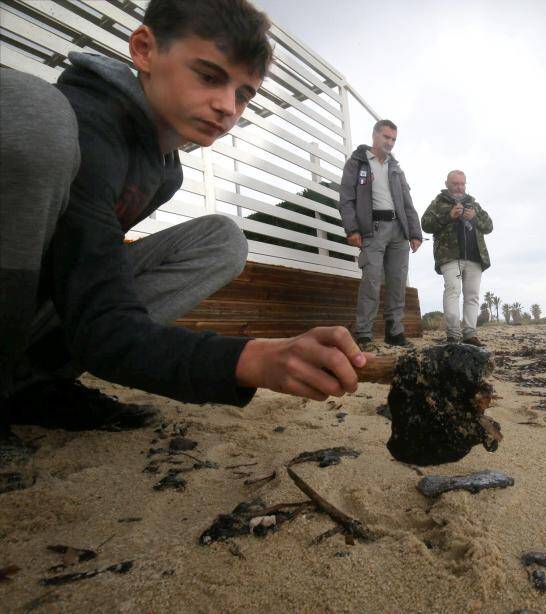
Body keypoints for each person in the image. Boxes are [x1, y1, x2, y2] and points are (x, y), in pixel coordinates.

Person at [0, 0, 367, 494]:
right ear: (145, 49)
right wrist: (253, 360)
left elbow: (97, 298)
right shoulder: (77, 118)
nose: (228, 107)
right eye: (209, 77)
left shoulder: (164, 171)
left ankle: (36, 384)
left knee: (223, 240)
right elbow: (104, 324)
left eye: (244, 95)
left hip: (41, 311)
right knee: (33, 110)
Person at [338, 120, 423, 349]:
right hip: (372, 230)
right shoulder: (357, 163)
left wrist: (415, 232)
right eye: (386, 137)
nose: (390, 142)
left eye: (393, 139)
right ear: (375, 135)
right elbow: (346, 198)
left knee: (397, 284)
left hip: (399, 231)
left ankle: (394, 333)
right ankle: (364, 334)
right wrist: (352, 229)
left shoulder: (396, 168)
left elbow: (407, 201)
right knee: (371, 283)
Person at [421, 170, 492, 346]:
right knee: (453, 290)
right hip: (449, 257)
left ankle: (470, 334)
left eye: (462, 183)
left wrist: (474, 219)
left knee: (472, 295)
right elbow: (425, 224)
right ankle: (453, 334)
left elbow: (489, 226)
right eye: (455, 183)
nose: (459, 187)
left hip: (475, 256)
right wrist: (449, 216)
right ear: (447, 184)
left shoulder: (473, 204)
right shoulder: (438, 202)